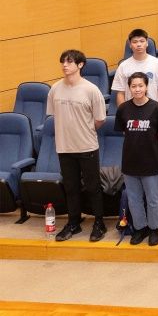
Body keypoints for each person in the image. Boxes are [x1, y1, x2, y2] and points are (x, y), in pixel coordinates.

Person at [48, 49, 108, 242]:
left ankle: (99, 222)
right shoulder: (55, 89)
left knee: (93, 187)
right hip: (64, 147)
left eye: (69, 61)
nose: (65, 65)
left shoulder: (91, 90)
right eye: (63, 62)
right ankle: (74, 222)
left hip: (87, 146)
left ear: (80, 65)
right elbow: (54, 115)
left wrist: (85, 130)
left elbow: (100, 119)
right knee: (71, 188)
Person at [115, 73, 158, 246]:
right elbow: (125, 132)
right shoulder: (123, 109)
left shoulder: (156, 108)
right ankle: (140, 228)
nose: (137, 89)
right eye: (133, 86)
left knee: (153, 199)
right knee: (134, 199)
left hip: (150, 161)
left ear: (146, 87)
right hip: (130, 161)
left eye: (140, 86)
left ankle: (154, 228)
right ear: (129, 88)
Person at [112, 29, 158, 110]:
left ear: (147, 43)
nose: (139, 44)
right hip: (131, 110)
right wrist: (124, 113)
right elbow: (120, 93)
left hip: (153, 110)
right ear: (130, 45)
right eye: (135, 42)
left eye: (142, 41)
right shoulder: (123, 66)